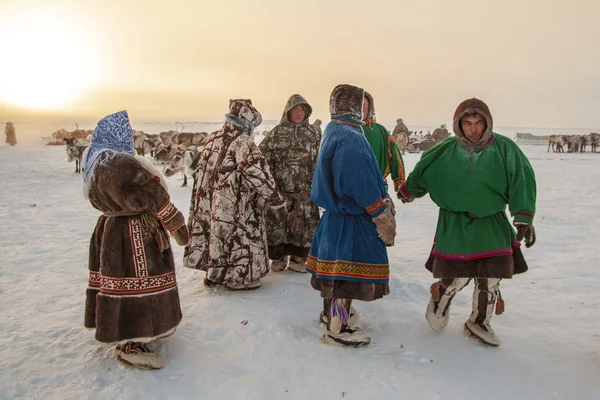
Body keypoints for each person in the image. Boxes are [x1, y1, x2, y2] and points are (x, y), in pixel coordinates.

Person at [397, 98, 536, 346]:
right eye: (468, 123)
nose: (473, 129)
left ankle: (480, 322)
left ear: (487, 123)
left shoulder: (505, 148)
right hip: (455, 223)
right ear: (459, 124)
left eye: (478, 123)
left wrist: (524, 218)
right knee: (457, 275)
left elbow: (521, 179)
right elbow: (423, 170)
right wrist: (409, 191)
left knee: (491, 278)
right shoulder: (445, 149)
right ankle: (440, 303)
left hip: (491, 222)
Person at [82, 110, 189, 370]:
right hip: (135, 233)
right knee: (139, 283)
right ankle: (132, 342)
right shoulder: (121, 164)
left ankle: (122, 329)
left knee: (118, 281)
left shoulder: (96, 162)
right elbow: (154, 197)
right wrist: (177, 226)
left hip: (111, 229)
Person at [306, 84, 396, 347]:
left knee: (335, 272)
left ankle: (330, 314)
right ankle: (338, 328)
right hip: (351, 221)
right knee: (346, 276)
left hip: (334, 218)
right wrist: (380, 214)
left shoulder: (333, 131)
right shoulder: (351, 137)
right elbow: (361, 183)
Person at [184, 99, 287, 290]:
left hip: (209, 201)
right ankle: (238, 278)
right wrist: (276, 202)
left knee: (215, 233)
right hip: (235, 202)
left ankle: (214, 274)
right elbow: (258, 174)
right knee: (237, 236)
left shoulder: (213, 138)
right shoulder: (243, 143)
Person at [259, 95, 321, 273]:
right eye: (295, 110)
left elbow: (320, 159)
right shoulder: (276, 132)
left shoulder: (314, 133)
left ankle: (299, 259)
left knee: (304, 228)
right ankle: (279, 258)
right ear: (288, 112)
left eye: (302, 110)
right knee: (278, 226)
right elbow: (263, 158)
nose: (299, 113)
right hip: (282, 192)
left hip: (305, 192)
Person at [361, 92, 406, 197]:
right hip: (349, 193)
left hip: (377, 188)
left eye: (363, 105)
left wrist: (399, 183)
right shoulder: (345, 131)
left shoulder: (381, 131)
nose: (360, 109)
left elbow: (395, 156)